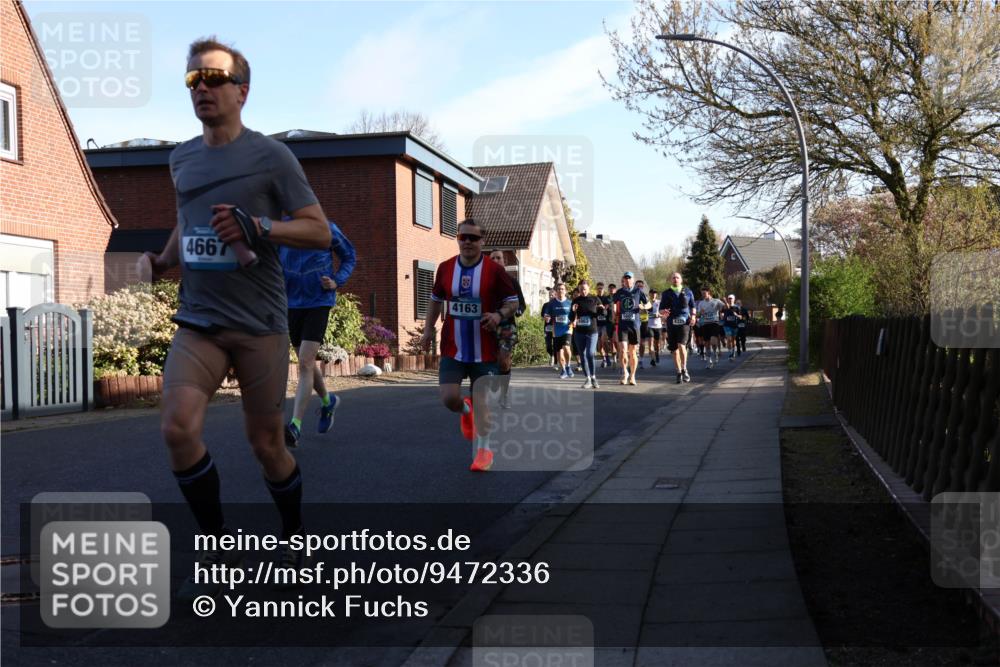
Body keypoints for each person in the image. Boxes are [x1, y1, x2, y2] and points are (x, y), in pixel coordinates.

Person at [141, 37, 332, 600]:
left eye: (214, 78)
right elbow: (187, 220)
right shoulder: (181, 158)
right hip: (198, 320)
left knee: (266, 444)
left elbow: (319, 230)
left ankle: (295, 535)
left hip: (258, 323)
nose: (201, 88)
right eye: (192, 79)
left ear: (242, 91)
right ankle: (219, 547)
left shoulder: (272, 157)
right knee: (177, 428)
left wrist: (260, 227)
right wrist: (163, 260)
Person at [419, 220, 519, 472]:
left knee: (482, 401)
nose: (467, 242)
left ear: (482, 241)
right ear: (457, 238)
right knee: (449, 398)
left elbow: (513, 302)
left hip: (485, 347)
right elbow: (435, 300)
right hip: (453, 346)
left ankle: (484, 451)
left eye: (473, 238)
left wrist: (498, 315)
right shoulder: (445, 268)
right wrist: (428, 329)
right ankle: (466, 411)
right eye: (462, 237)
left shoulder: (495, 271)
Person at [280, 220, 356, 447]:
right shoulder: (280, 228)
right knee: (306, 362)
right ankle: (327, 401)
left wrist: (336, 281)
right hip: (292, 302)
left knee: (305, 361)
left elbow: (349, 257)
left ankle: (295, 426)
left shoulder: (326, 228)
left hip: (319, 301)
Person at [489, 249, 526, 408]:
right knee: (492, 359)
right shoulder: (483, 281)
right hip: (488, 325)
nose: (496, 260)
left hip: (507, 325)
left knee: (504, 360)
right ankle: (495, 377)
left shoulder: (512, 282)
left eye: (499, 258)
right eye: (493, 258)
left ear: (504, 261)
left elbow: (521, 304)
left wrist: (518, 310)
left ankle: (503, 395)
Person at [659, 272, 696, 384]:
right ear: (671, 280)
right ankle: (679, 371)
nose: (675, 279)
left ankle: (684, 369)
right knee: (674, 350)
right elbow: (661, 309)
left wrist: (693, 316)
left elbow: (693, 306)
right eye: (673, 278)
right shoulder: (666, 293)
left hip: (684, 322)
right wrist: (663, 312)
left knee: (682, 345)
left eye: (677, 277)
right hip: (671, 323)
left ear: (681, 280)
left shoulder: (688, 292)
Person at [612, 272, 647, 385]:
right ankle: (625, 373)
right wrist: (614, 313)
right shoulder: (620, 292)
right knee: (622, 350)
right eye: (625, 278)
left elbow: (648, 304)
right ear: (623, 280)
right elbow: (613, 302)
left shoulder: (638, 291)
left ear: (633, 280)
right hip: (623, 325)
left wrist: (643, 306)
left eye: (629, 278)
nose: (627, 280)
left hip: (635, 326)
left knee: (633, 352)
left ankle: (632, 376)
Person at [570, 280, 605, 388]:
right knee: (582, 355)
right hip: (579, 332)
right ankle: (588, 379)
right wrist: (573, 311)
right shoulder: (576, 300)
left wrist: (602, 309)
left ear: (589, 288)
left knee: (590, 353)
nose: (583, 291)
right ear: (578, 289)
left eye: (584, 289)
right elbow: (571, 318)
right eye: (581, 289)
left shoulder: (595, 299)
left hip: (592, 331)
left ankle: (593, 377)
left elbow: (603, 313)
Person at [697, 287, 726, 368]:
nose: (703, 295)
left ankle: (715, 352)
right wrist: (700, 313)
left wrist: (725, 302)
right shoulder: (701, 303)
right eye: (702, 293)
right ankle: (709, 361)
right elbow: (698, 314)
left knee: (713, 341)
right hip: (705, 324)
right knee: (707, 343)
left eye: (704, 293)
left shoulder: (716, 301)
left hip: (714, 323)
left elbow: (725, 308)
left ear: (708, 292)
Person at [549, 283, 574, 378]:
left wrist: (574, 321)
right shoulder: (552, 303)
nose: (560, 291)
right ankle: (563, 370)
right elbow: (547, 314)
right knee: (559, 352)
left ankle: (568, 366)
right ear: (556, 291)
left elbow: (575, 314)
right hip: (556, 330)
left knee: (566, 347)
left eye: (562, 289)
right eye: (559, 289)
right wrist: (547, 317)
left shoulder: (570, 303)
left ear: (565, 291)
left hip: (567, 328)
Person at [636, 279, 652, 369]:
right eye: (638, 286)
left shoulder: (644, 295)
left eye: (641, 286)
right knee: (634, 343)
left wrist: (644, 307)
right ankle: (633, 358)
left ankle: (641, 360)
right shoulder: (632, 295)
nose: (639, 288)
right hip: (634, 321)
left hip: (644, 321)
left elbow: (650, 307)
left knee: (642, 343)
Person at [541, 290, 557, 371]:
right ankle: (552, 355)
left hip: (556, 327)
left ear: (555, 295)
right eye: (550, 295)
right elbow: (542, 315)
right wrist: (545, 318)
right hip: (547, 327)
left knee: (556, 344)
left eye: (552, 295)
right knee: (548, 345)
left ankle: (556, 362)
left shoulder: (557, 304)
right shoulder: (545, 305)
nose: (550, 296)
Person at [721, 293, 741, 361]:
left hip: (734, 325)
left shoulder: (737, 307)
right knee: (729, 339)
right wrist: (722, 315)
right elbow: (723, 311)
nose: (730, 299)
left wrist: (737, 315)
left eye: (731, 298)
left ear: (734, 299)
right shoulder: (725, 306)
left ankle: (733, 351)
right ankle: (730, 353)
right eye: (729, 298)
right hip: (727, 325)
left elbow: (740, 317)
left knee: (733, 340)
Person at [604, 282, 618, 367]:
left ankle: (618, 356)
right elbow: (603, 310)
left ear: (615, 289)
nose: (612, 289)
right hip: (608, 322)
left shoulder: (618, 298)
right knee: (610, 341)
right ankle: (613, 358)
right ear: (608, 289)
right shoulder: (606, 299)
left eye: (613, 288)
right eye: (610, 288)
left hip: (616, 323)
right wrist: (605, 309)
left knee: (615, 340)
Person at [648, 289, 663, 367]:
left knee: (657, 344)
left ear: (656, 294)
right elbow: (642, 313)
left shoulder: (659, 302)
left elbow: (663, 313)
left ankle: (657, 354)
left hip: (658, 326)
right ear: (649, 294)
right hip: (649, 326)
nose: (653, 294)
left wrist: (659, 315)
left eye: (655, 293)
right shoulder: (647, 303)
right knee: (651, 343)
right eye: (652, 293)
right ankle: (652, 359)